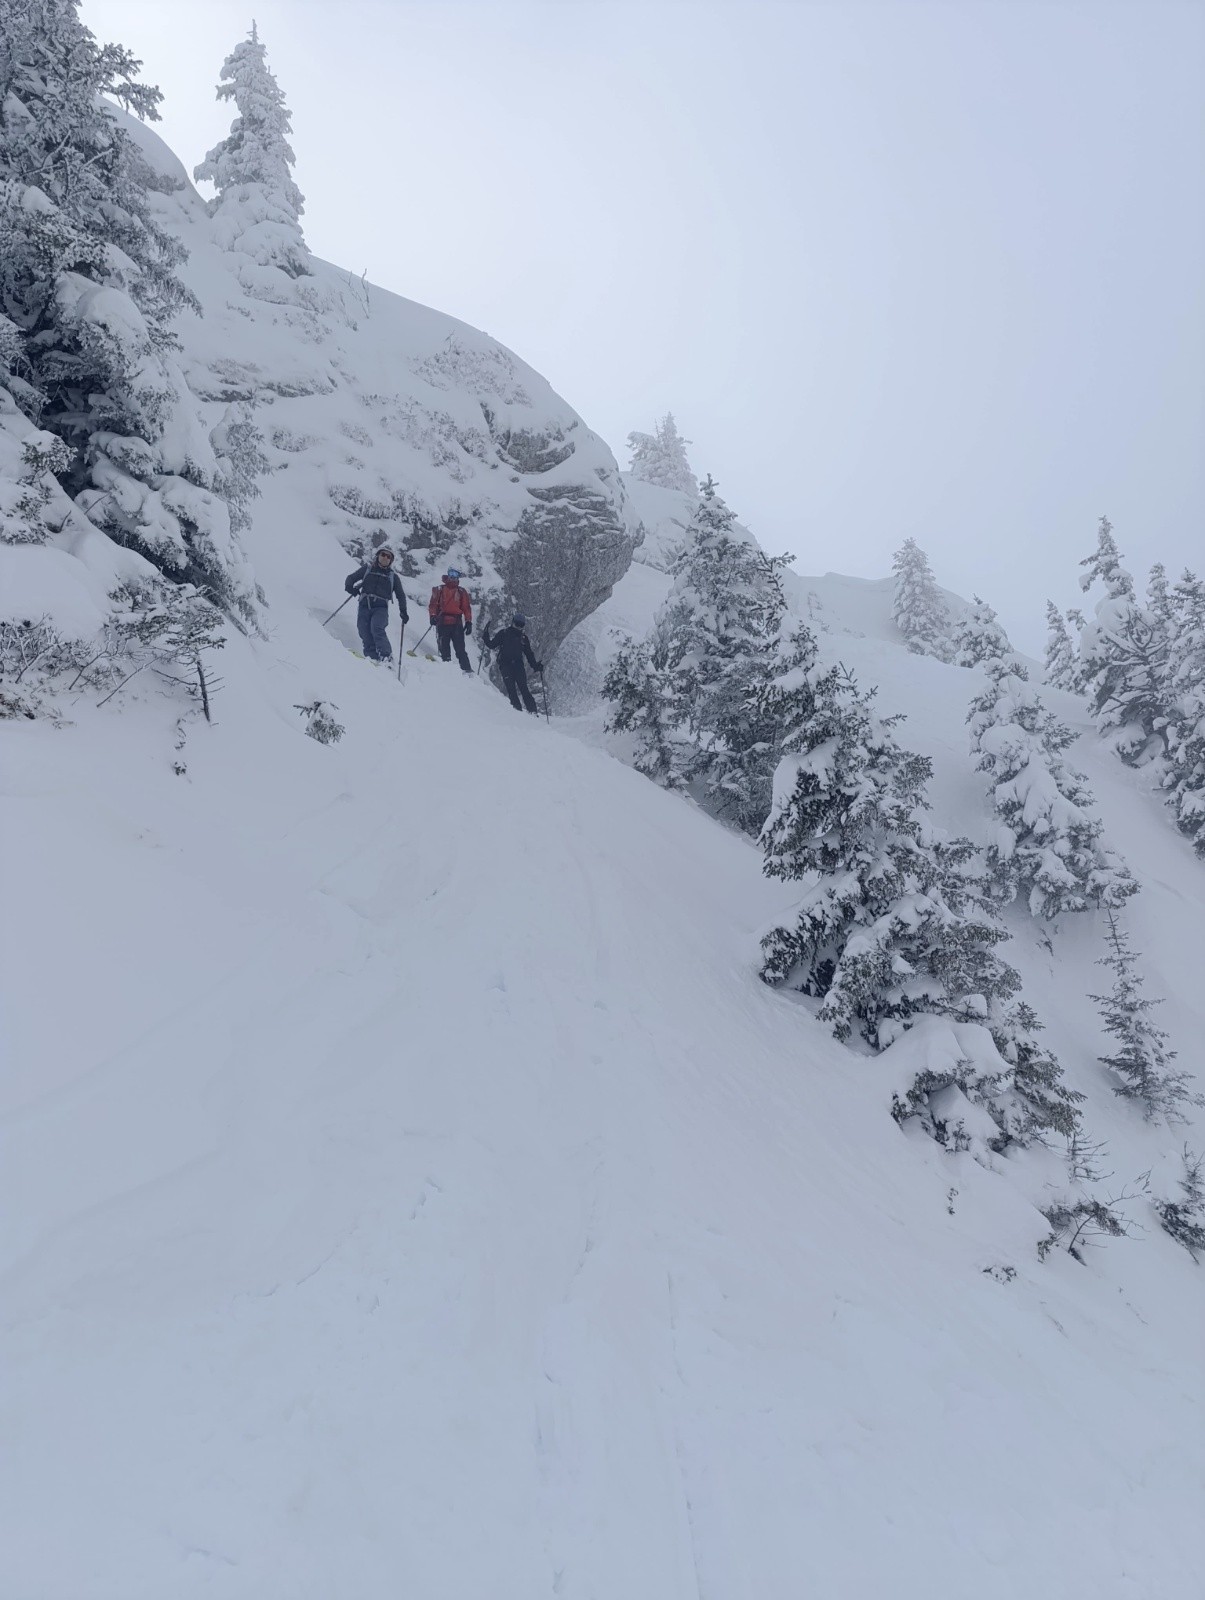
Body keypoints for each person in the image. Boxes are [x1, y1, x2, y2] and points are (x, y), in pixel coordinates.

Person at [345, 544, 409, 662]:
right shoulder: (367, 569)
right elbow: (351, 578)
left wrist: (403, 611)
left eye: (388, 556)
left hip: (381, 608)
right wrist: (349, 587)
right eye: (383, 554)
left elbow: (400, 595)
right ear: (378, 555)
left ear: (391, 560)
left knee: (377, 628)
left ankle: (386, 656)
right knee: (363, 630)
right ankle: (372, 657)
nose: (385, 558)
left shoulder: (393, 577)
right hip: (364, 605)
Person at [483, 613, 543, 714]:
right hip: (511, 666)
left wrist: (485, 635)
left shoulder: (508, 634)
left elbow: (491, 644)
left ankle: (522, 711)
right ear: (513, 622)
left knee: (517, 690)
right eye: (517, 624)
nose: (519, 627)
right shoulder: (513, 636)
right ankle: (527, 712)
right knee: (518, 690)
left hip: (510, 666)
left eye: (521, 625)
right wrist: (535, 666)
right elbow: (529, 655)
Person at [428, 568, 473, 673]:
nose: (453, 577)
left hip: (456, 623)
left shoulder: (461, 592)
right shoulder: (439, 589)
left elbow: (466, 607)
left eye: (456, 575)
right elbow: (433, 605)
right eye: (451, 574)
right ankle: (447, 671)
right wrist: (432, 616)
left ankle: (467, 670)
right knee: (444, 649)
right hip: (442, 621)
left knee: (460, 649)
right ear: (447, 575)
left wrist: (468, 621)